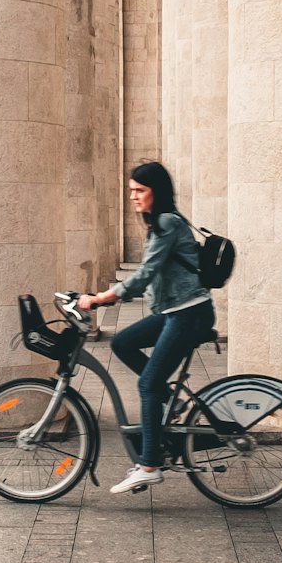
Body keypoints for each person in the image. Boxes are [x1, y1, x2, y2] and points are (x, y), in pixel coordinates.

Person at [78, 160, 214, 493]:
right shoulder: (163, 222)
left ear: (157, 192)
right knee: (122, 343)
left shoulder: (167, 223)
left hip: (189, 314)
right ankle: (173, 402)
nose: (134, 197)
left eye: (140, 191)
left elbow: (144, 275)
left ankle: (150, 465)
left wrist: (101, 297)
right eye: (131, 191)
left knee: (148, 385)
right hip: (174, 310)